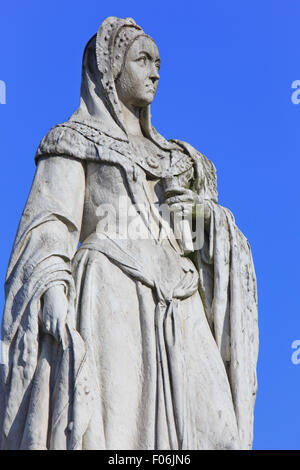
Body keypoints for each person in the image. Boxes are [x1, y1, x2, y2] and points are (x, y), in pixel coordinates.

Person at [0, 16, 258, 450]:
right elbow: (49, 226)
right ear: (111, 68)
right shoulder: (73, 139)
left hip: (181, 300)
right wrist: (53, 292)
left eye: (158, 62)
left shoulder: (179, 159)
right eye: (143, 60)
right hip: (110, 292)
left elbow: (201, 238)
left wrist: (203, 220)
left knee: (219, 432)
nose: (155, 71)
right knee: (118, 432)